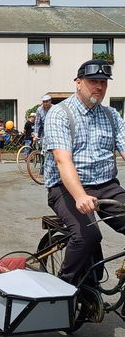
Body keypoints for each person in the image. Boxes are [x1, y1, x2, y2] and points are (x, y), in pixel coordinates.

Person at [44, 58, 125, 286]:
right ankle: (63, 288)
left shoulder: (111, 115)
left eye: (103, 82)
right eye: (93, 81)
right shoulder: (60, 114)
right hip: (67, 187)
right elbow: (63, 160)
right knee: (87, 236)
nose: (99, 87)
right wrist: (79, 195)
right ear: (78, 82)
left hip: (106, 184)